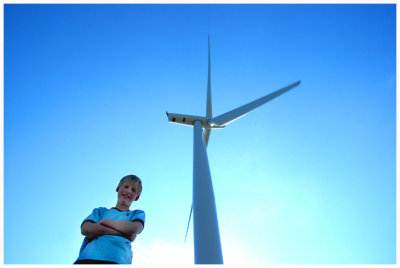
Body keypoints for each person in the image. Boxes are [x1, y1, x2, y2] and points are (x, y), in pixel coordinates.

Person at [74, 175, 145, 264]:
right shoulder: (101, 211)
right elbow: (86, 229)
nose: (128, 191)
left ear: (137, 197)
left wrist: (105, 222)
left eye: (133, 190)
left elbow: (134, 228)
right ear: (118, 188)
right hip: (88, 258)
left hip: (118, 260)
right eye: (126, 187)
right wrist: (125, 234)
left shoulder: (136, 214)